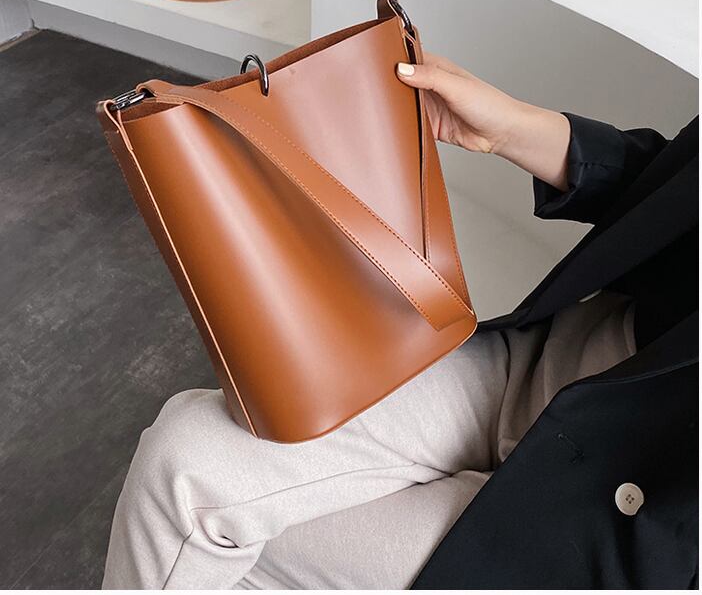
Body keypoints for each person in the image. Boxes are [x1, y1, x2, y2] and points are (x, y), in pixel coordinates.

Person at [102, 54, 698, 590]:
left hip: (619, 533)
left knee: (227, 542)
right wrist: (514, 128)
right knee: (184, 470)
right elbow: (678, 190)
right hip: (560, 364)